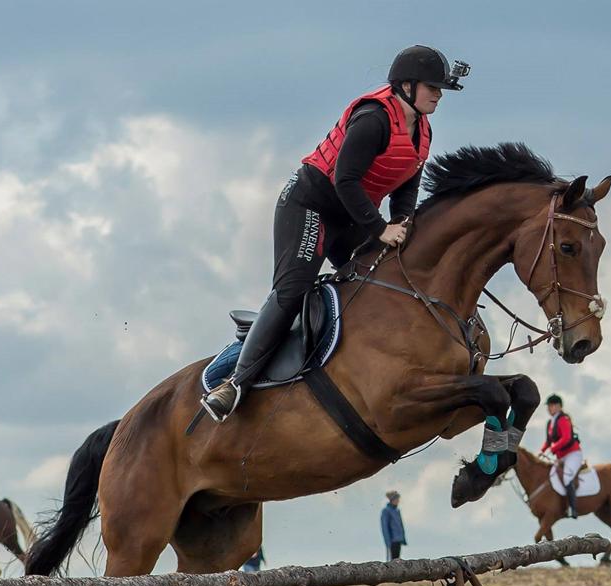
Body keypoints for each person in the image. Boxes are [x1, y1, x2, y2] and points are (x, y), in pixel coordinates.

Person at [201, 45, 469, 421]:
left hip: (351, 215)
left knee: (383, 277)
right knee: (293, 290)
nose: (439, 95)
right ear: (406, 86)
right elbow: (344, 180)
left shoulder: (422, 131)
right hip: (311, 205)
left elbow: (406, 190)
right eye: (433, 87)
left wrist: (403, 225)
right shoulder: (374, 119)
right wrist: (380, 229)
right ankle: (234, 382)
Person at [540, 394, 582, 520]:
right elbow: (548, 441)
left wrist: (552, 449)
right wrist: (541, 451)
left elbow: (566, 438)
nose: (549, 408)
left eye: (551, 406)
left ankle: (573, 509)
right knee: (550, 475)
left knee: (567, 477)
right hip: (561, 456)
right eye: (548, 406)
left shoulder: (563, 419)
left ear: (558, 406)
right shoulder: (550, 423)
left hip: (572, 454)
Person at [380, 490, 406, 560]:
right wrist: (388, 542)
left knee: (397, 560)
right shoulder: (386, 511)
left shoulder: (397, 511)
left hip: (398, 539)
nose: (398, 501)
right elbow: (385, 527)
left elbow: (400, 525)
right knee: (392, 561)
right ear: (392, 500)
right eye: (397, 499)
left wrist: (402, 538)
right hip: (392, 540)